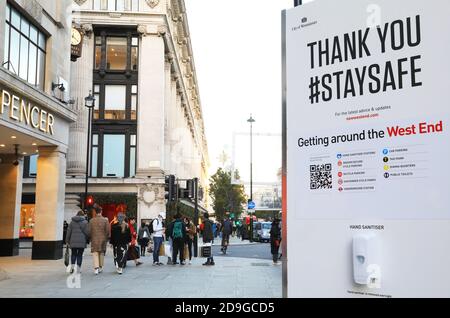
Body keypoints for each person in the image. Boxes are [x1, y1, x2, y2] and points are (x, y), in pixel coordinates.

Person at [88, 205, 110, 275]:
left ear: (95, 212)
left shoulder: (91, 221)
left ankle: (96, 268)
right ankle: (100, 266)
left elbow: (89, 231)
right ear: (101, 212)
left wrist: (90, 237)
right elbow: (107, 231)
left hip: (94, 239)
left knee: (95, 253)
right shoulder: (105, 220)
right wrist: (106, 238)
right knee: (101, 253)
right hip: (103, 239)